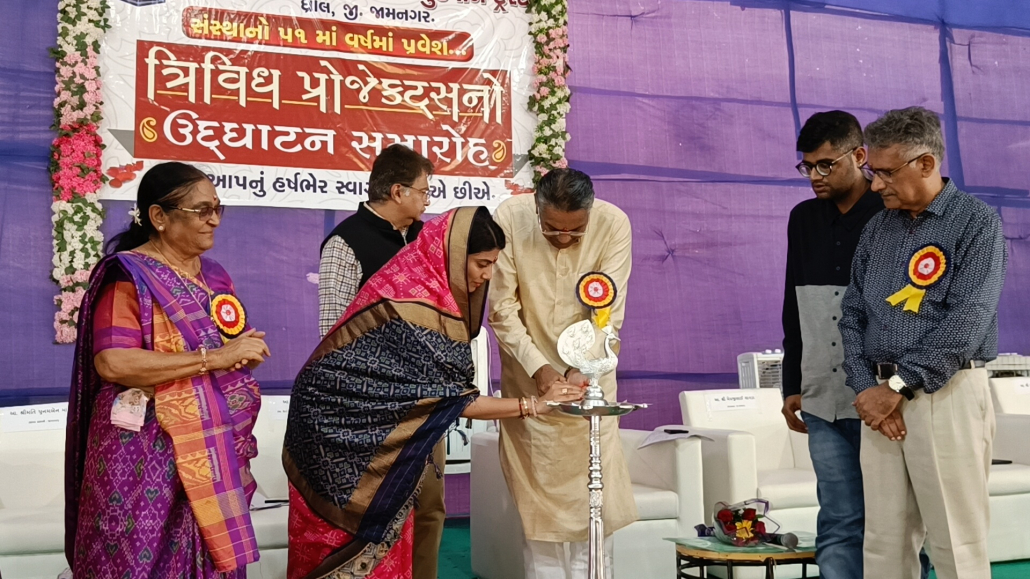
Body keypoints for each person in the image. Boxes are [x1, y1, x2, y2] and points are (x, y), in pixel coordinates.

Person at [284, 206, 584, 579]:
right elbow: (460, 400)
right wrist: (535, 405)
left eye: (493, 264)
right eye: (482, 264)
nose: (488, 275)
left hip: (381, 435)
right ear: (455, 256)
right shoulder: (413, 305)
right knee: (331, 540)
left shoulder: (431, 293)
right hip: (331, 435)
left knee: (393, 539)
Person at [65, 162, 271, 577]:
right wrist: (215, 359)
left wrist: (238, 353)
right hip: (144, 452)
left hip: (214, 447)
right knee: (135, 559)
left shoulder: (215, 275)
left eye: (217, 208)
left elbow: (218, 343)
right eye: (201, 210)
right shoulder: (128, 275)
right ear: (159, 216)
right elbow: (113, 361)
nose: (214, 219)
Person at [839, 107, 1007, 579]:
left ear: (926, 164)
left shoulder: (976, 223)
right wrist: (867, 389)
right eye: (873, 173)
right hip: (879, 402)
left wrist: (898, 385)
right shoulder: (878, 228)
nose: (876, 185)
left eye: (886, 172)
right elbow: (851, 315)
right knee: (884, 542)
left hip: (945, 394)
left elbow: (967, 321)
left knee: (956, 539)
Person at [488, 168, 637, 579]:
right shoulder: (510, 218)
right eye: (553, 229)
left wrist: (579, 369)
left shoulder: (613, 223)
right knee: (539, 516)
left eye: (576, 230)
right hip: (530, 387)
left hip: (591, 388)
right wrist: (539, 369)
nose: (566, 238)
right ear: (537, 209)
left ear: (590, 212)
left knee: (596, 509)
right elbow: (502, 309)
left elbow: (608, 312)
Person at [317, 144, 441, 579]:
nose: (428, 201)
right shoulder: (345, 243)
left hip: (429, 399)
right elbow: (332, 334)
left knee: (429, 507)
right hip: (371, 407)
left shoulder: (429, 241)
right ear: (397, 191)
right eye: (424, 191)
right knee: (377, 512)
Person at [781, 111, 882, 579]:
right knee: (838, 519)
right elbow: (794, 303)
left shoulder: (890, 211)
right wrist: (792, 383)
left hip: (882, 397)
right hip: (821, 393)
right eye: (807, 166)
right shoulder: (802, 218)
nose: (815, 176)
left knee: (893, 522)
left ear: (859, 156)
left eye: (826, 165)